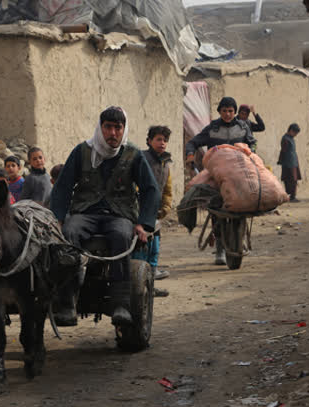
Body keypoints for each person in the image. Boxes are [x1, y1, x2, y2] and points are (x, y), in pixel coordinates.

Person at [50, 106, 160, 327]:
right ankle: (68, 301)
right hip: (85, 213)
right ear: (100, 128)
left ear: (123, 129)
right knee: (70, 233)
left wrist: (143, 224)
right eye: (108, 127)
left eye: (117, 128)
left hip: (120, 215)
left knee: (120, 236)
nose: (112, 133)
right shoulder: (82, 152)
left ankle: (120, 304)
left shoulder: (133, 154)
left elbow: (151, 190)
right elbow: (62, 187)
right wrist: (58, 219)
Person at [184, 96, 256, 265]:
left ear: (235, 112)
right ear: (219, 112)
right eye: (224, 111)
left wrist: (251, 153)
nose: (228, 114)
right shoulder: (212, 129)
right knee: (217, 207)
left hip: (239, 174)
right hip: (217, 175)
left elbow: (252, 144)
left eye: (231, 111)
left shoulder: (243, 127)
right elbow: (193, 143)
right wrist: (190, 155)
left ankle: (240, 237)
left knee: (242, 205)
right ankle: (220, 247)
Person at [133, 125, 173, 297]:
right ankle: (137, 286)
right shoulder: (141, 159)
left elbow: (167, 190)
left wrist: (165, 208)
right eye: (158, 139)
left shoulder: (166, 163)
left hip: (155, 215)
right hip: (140, 213)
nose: (162, 143)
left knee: (154, 250)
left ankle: (150, 287)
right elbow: (133, 185)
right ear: (149, 141)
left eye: (164, 140)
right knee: (141, 248)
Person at [278, 123, 301, 202]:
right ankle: (290, 196)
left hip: (293, 162)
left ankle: (293, 196)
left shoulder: (291, 138)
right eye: (295, 133)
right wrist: (282, 161)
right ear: (291, 130)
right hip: (288, 163)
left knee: (294, 180)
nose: (295, 135)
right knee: (289, 180)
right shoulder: (285, 139)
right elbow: (284, 151)